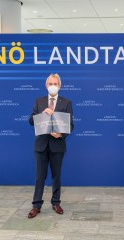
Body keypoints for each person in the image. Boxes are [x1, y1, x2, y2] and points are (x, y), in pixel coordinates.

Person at [28, 73, 74, 218]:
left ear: (59, 86)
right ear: (46, 85)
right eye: (50, 84)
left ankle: (56, 202)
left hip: (57, 145)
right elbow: (31, 120)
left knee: (56, 176)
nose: (53, 86)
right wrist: (41, 114)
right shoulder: (39, 101)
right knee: (39, 176)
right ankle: (36, 205)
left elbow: (70, 125)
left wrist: (60, 134)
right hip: (41, 144)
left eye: (55, 84)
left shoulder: (66, 102)